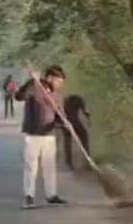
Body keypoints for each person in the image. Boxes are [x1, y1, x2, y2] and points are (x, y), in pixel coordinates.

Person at [14, 65, 68, 208]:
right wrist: (31, 81)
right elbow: (19, 96)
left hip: (49, 135)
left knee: (49, 166)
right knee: (31, 167)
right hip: (33, 135)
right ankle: (29, 197)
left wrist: (65, 122)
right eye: (58, 81)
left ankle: (51, 195)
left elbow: (60, 116)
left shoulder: (57, 96)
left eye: (62, 82)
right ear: (50, 77)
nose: (60, 85)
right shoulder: (35, 86)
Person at [60, 94, 91, 170]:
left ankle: (70, 162)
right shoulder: (78, 100)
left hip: (67, 123)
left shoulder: (70, 101)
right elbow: (86, 112)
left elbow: (86, 111)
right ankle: (86, 161)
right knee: (81, 138)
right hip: (71, 123)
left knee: (68, 141)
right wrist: (89, 119)